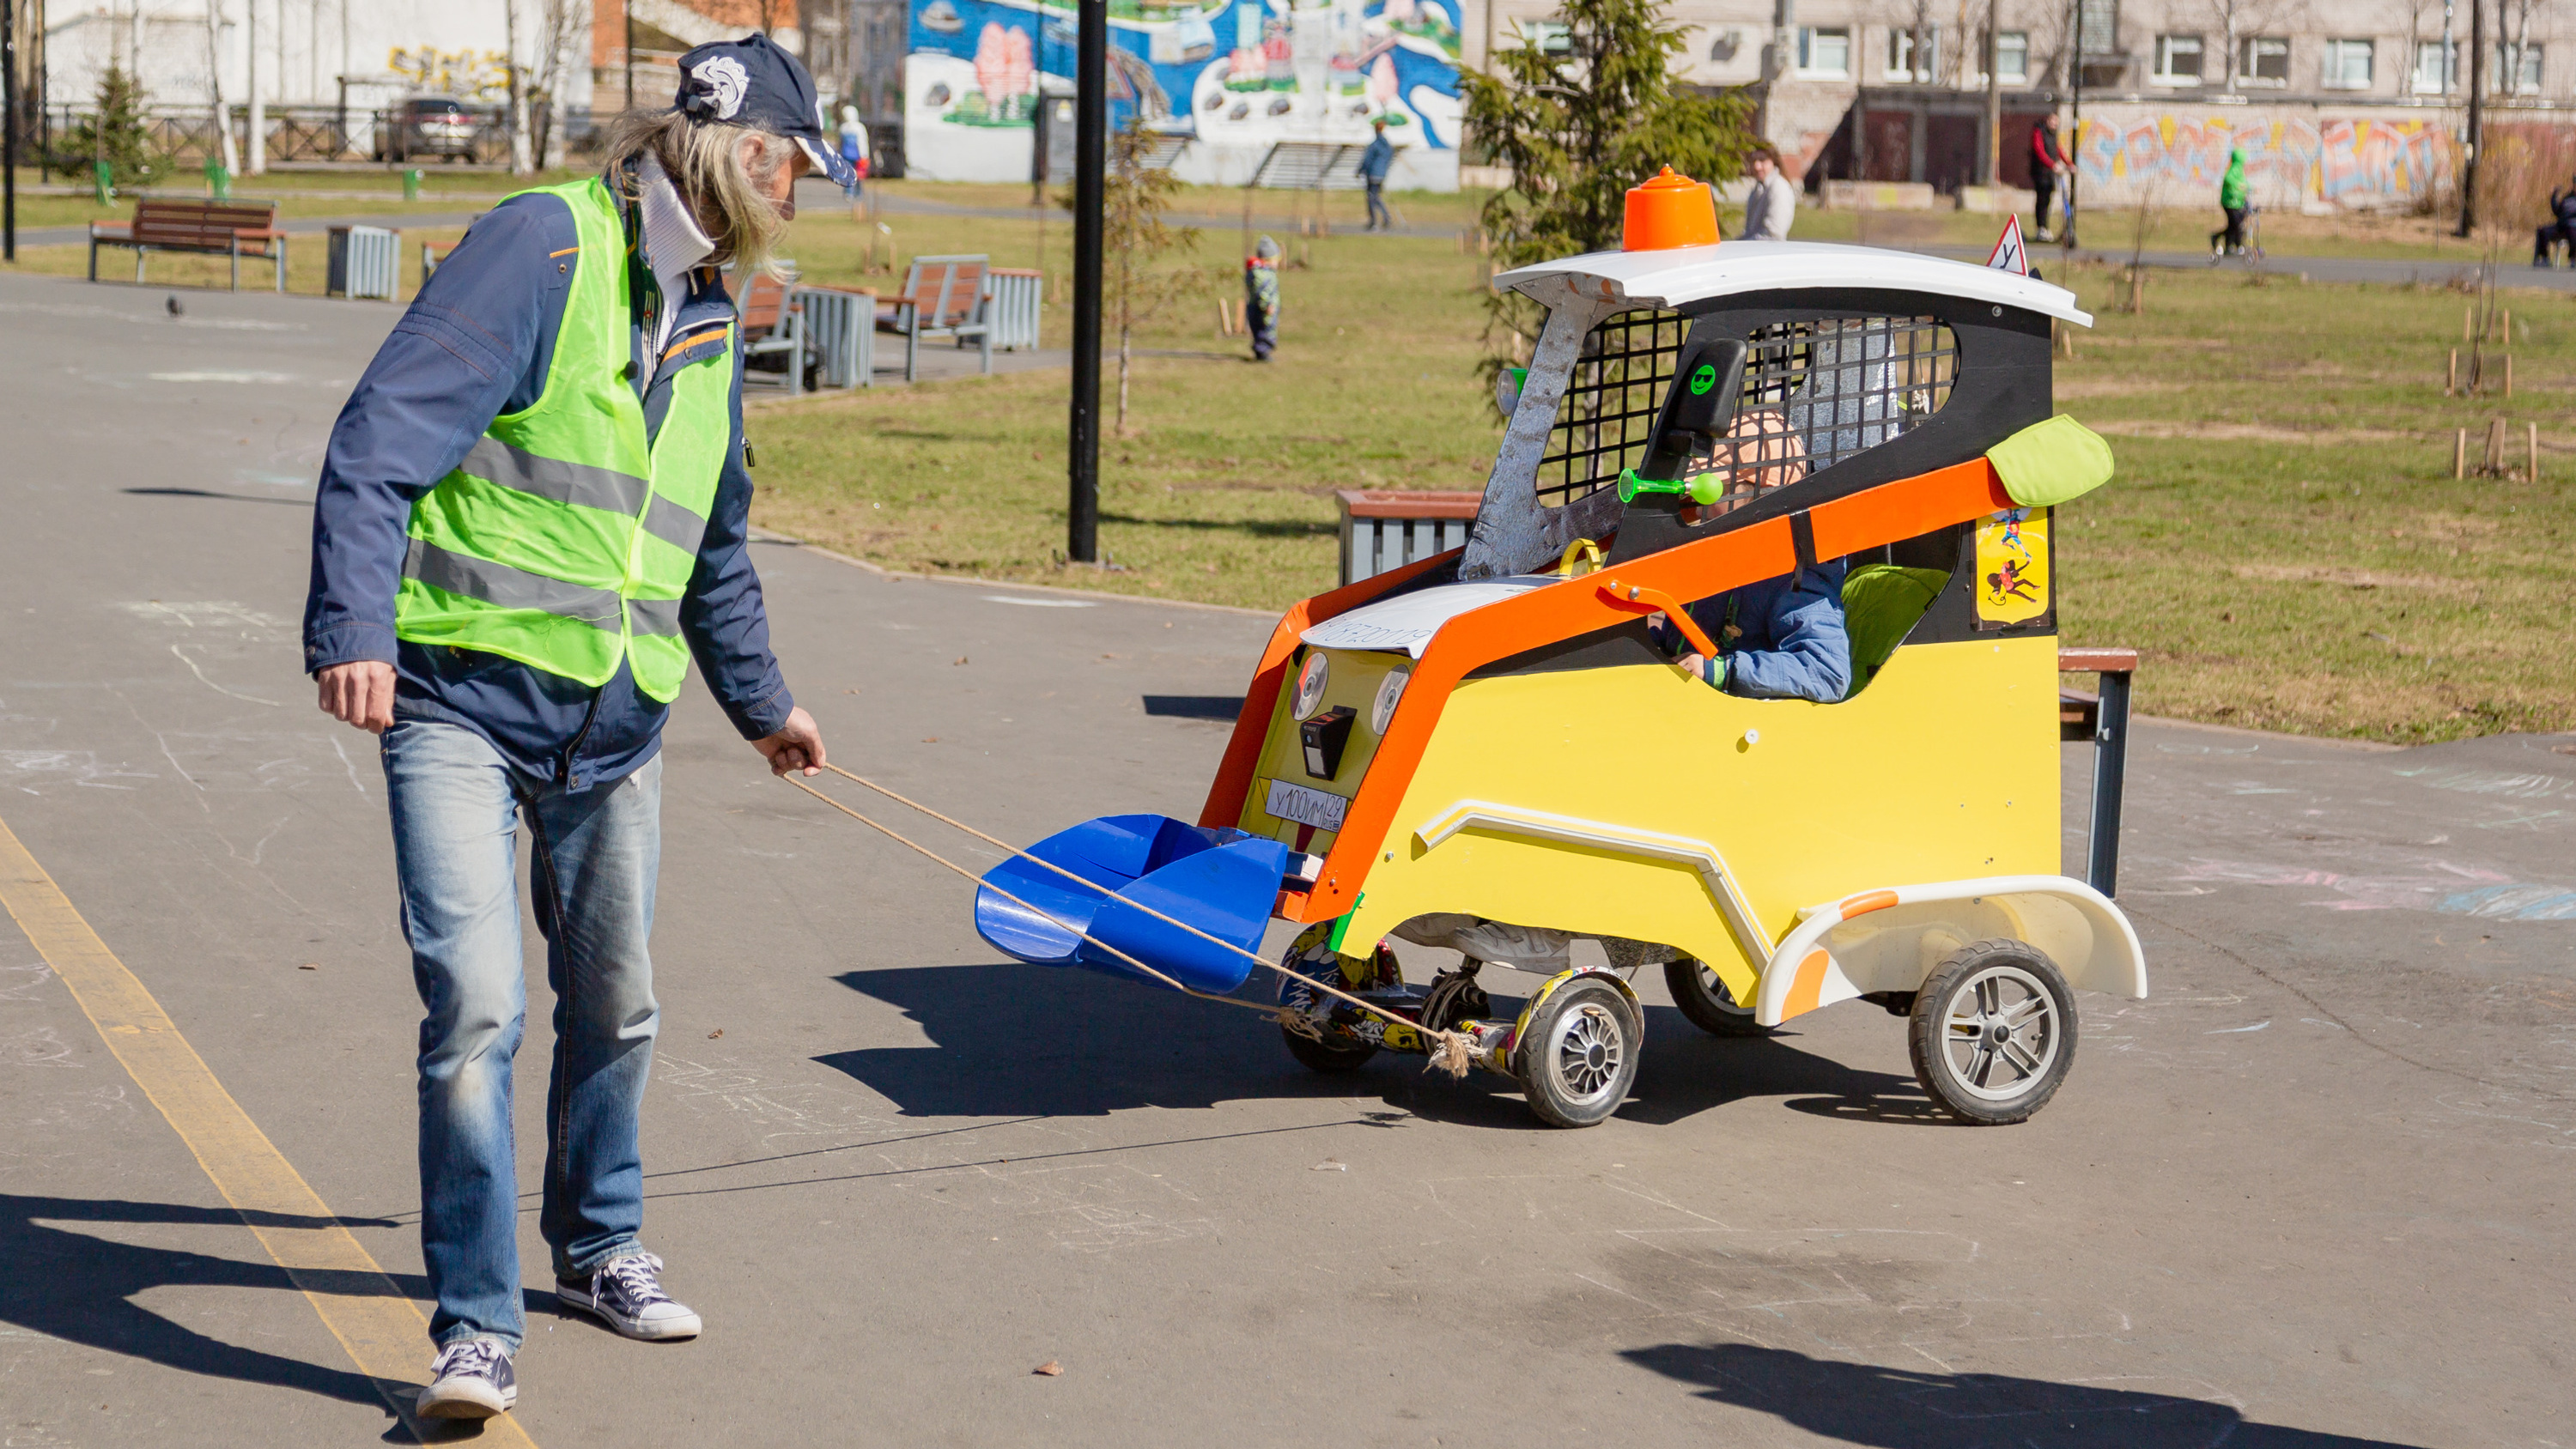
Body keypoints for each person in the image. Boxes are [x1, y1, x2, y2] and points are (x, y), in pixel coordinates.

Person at [301, 33, 845, 1422]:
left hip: (616, 726)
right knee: (477, 1007)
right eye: (792, 166)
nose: (796, 196)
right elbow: (379, 439)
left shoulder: (714, 314)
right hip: (459, 705)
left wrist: (762, 699)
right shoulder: (542, 248)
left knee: (619, 1003)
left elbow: (706, 543)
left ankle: (598, 1242)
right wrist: (353, 628)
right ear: (746, 155)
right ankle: (477, 1323)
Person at [1663, 409, 1851, 703]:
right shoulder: (1720, 557)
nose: (1698, 509)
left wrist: (1723, 670)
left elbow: (1827, 673)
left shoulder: (1795, 579)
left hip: (1745, 724)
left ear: (1756, 498)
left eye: (1710, 495)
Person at [1739, 144, 1796, 241]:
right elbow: (1750, 231)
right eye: (1753, 161)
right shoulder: (1759, 188)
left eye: (1762, 161)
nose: (1757, 167)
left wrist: (1744, 245)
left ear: (1773, 162)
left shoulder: (1779, 187)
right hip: (1754, 251)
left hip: (1769, 253)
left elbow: (1774, 234)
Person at [2030, 109, 2068, 244]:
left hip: (2050, 174)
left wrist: (2069, 163)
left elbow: (2058, 150)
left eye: (2056, 121)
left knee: (2048, 201)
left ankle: (2045, 227)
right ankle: (2041, 228)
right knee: (2041, 200)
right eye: (2052, 121)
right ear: (2048, 120)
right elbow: (2039, 150)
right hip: (2041, 173)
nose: (2054, 124)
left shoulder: (2053, 135)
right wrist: (2052, 165)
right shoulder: (2039, 132)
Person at [1245, 233, 1281, 361]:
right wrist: (1266, 306)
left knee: (1261, 330)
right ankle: (1263, 353)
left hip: (1258, 307)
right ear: (1268, 259)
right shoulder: (1263, 275)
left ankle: (1262, 351)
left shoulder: (1259, 272)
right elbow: (1262, 293)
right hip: (1264, 309)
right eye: (1276, 259)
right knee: (1265, 330)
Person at [2209, 145, 2249, 258]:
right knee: (2236, 224)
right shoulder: (2234, 169)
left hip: (2237, 202)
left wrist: (2249, 188)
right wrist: (2239, 187)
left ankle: (2224, 242)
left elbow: (2243, 183)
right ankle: (2234, 244)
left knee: (2233, 225)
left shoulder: (2240, 170)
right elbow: (2229, 179)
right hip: (2229, 202)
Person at [1358, 117, 1394, 231]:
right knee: (1376, 196)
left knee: (1371, 198)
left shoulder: (1374, 145)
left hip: (1372, 174)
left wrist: (1360, 170)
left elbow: (1367, 160)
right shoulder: (1387, 146)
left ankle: (1374, 221)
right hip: (1382, 174)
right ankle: (1386, 217)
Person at [2535, 175, 2576, 267]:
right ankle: (2545, 258)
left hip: (2573, 227)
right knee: (2542, 231)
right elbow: (2557, 212)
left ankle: (2573, 259)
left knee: (2572, 230)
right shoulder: (2567, 199)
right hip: (2562, 226)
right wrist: (2554, 197)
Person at [838, 102, 870, 204]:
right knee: (848, 175)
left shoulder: (859, 128)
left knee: (859, 176)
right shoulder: (843, 128)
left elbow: (862, 142)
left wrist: (864, 155)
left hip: (857, 155)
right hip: (846, 155)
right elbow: (841, 142)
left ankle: (858, 193)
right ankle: (848, 192)